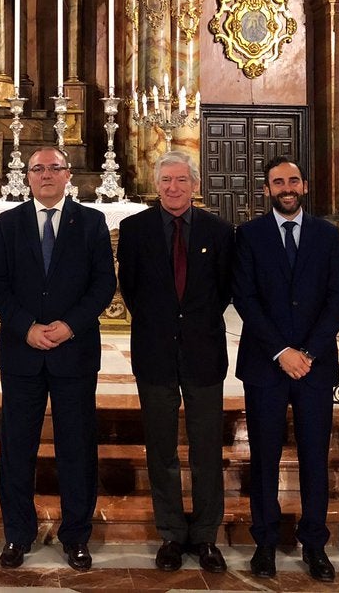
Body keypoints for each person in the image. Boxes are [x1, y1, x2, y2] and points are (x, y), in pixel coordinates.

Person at [0, 145, 116, 571]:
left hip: (74, 351)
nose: (45, 175)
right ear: (27, 176)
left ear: (67, 175)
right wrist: (26, 327)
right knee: (17, 447)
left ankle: (76, 536)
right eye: (37, 169)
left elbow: (102, 285)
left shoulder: (92, 222)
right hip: (22, 353)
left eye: (53, 168)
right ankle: (17, 535)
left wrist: (69, 325)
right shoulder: (8, 223)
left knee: (77, 447)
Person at [231, 156, 339, 581]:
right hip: (266, 363)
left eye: (293, 180)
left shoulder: (327, 234)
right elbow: (244, 297)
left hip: (314, 366)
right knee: (263, 456)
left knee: (315, 456)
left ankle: (314, 544)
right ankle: (264, 542)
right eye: (278, 181)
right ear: (266, 189)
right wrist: (282, 350)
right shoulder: (248, 235)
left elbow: (338, 297)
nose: (286, 187)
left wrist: (310, 352)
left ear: (304, 186)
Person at [116, 150, 233, 574]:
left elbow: (223, 291)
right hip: (154, 352)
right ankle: (170, 533)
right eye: (166, 180)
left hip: (203, 353)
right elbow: (130, 288)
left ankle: (204, 536)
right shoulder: (134, 229)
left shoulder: (220, 231)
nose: (173, 187)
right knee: (161, 448)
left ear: (195, 185)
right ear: (156, 183)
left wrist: (191, 323)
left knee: (205, 450)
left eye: (182, 180)